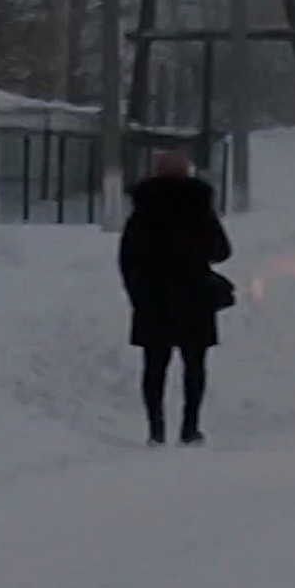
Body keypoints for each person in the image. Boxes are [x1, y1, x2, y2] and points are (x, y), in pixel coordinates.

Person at [119, 151, 232, 445]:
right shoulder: (199, 208)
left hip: (154, 298)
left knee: (154, 367)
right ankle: (190, 428)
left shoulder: (143, 210)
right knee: (194, 366)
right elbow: (222, 251)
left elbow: (127, 257)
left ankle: (155, 431)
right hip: (195, 296)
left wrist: (137, 293)